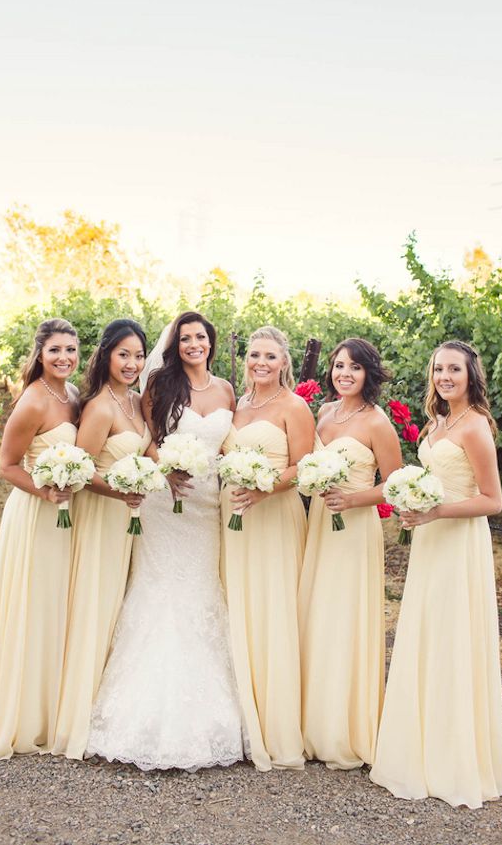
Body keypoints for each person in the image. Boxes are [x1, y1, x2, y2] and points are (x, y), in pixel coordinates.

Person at [86, 311, 244, 770]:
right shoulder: (159, 383)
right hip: (165, 503)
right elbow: (151, 440)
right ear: (174, 345)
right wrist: (167, 467)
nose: (193, 344)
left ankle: (214, 709)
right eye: (185, 338)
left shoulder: (226, 391)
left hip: (207, 508)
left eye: (200, 337)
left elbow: (226, 448)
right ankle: (140, 712)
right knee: (158, 590)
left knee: (200, 591)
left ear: (211, 343)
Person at [370, 341, 502, 808]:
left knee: (453, 639)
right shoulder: (436, 423)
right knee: (426, 635)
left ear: (471, 374)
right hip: (430, 539)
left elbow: (493, 501)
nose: (445, 376)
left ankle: (454, 760)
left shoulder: (474, 427)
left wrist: (436, 511)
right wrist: (416, 505)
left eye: (454, 369)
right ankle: (421, 746)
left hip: (458, 542)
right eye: (438, 369)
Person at [0, 318, 79, 760]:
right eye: (55, 351)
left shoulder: (71, 395)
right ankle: (24, 718)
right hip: (35, 514)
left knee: (57, 608)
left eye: (71, 349)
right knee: (33, 607)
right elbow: (8, 465)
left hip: (68, 515)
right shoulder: (32, 401)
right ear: (40, 354)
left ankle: (51, 712)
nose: (64, 357)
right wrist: (45, 490)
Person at [298, 338, 402, 769]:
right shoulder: (322, 413)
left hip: (355, 528)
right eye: (339, 366)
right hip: (322, 526)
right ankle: (310, 723)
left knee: (345, 618)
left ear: (368, 374)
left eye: (354, 368)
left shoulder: (377, 422)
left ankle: (343, 730)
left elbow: (396, 484)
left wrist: (355, 500)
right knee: (317, 613)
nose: (344, 373)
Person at [51, 320, 150, 759]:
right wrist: (119, 489)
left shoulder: (135, 401)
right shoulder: (99, 407)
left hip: (126, 521)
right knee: (96, 606)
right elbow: (82, 470)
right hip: (101, 518)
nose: (131, 363)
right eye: (123, 354)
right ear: (106, 355)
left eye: (138, 355)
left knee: (116, 609)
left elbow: (147, 452)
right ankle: (78, 714)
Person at [220, 325, 315, 771]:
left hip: (274, 516)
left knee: (271, 607)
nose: (260, 362)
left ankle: (275, 724)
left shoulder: (294, 407)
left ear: (284, 363)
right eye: (255, 355)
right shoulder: (237, 405)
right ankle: (239, 717)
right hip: (232, 517)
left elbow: (303, 467)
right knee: (237, 604)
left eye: (270, 357)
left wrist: (263, 489)